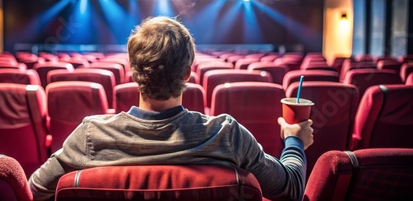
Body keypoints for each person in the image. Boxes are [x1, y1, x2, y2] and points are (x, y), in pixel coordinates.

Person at [28, 16, 313, 200]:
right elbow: (290, 189)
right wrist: (294, 140)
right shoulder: (227, 134)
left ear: (133, 72)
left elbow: (34, 190)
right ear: (188, 74)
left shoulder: (90, 135)